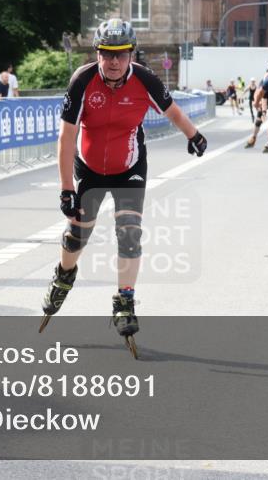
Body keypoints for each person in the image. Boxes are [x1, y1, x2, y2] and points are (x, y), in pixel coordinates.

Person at [40, 19, 207, 357]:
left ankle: (125, 299)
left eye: (121, 54)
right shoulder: (82, 80)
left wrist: (194, 135)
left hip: (129, 167)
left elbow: (173, 111)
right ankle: (64, 275)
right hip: (89, 169)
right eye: (106, 54)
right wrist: (66, 188)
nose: (113, 61)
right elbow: (67, 137)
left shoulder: (145, 79)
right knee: (77, 235)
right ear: (97, 54)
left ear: (132, 54)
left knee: (129, 232)